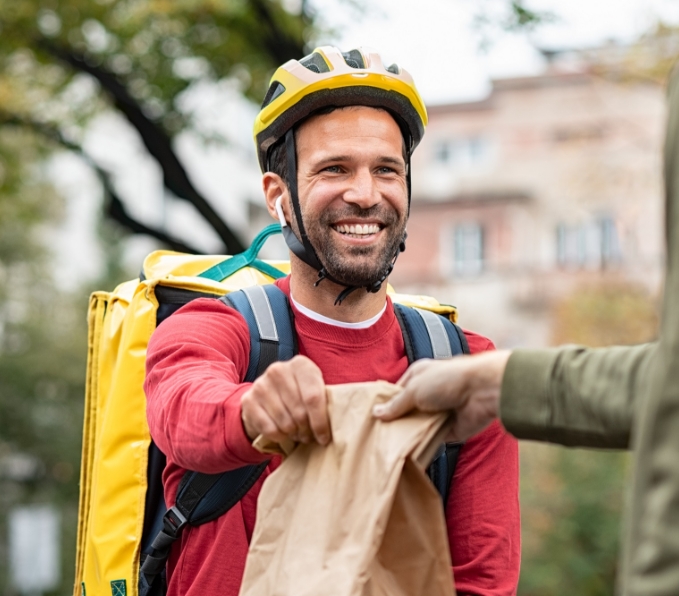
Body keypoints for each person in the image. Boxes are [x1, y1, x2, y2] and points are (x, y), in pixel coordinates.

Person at [144, 46, 520, 596]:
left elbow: (481, 583)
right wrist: (250, 410)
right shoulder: (211, 329)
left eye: (386, 170)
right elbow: (183, 413)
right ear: (280, 198)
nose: (365, 194)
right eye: (334, 169)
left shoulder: (465, 369)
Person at [374, 65, 679, 596]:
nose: (363, 194)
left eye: (386, 170)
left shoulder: (460, 349)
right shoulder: (225, 326)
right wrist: (501, 383)